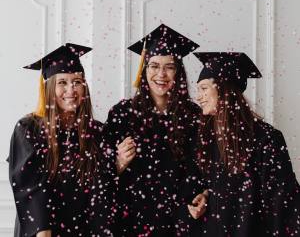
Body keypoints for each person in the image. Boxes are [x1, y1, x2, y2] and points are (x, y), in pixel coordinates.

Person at [103, 23, 208, 237]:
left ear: (178, 72)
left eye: (169, 67)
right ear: (144, 69)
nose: (161, 74)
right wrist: (118, 162)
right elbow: (99, 172)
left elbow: (206, 168)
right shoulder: (123, 113)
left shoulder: (194, 116)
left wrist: (205, 194)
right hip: (131, 220)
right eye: (153, 66)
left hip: (182, 220)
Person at [8, 43, 116, 237]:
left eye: (77, 82)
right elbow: (30, 186)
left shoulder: (97, 132)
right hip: (44, 230)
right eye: (62, 82)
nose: (71, 89)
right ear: (49, 88)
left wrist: (118, 165)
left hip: (82, 227)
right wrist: (43, 230)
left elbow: (100, 187)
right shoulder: (28, 129)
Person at [193, 51, 300, 236]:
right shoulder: (209, 138)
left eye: (204, 88)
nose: (198, 96)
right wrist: (206, 195)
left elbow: (283, 204)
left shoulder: (266, 138)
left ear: (224, 90)